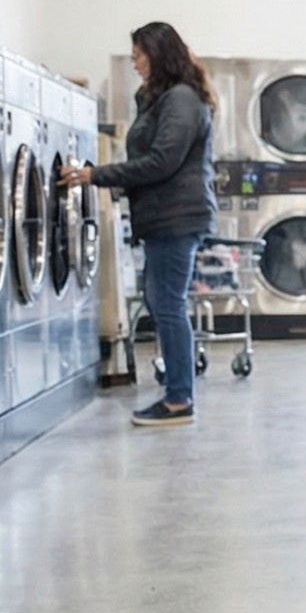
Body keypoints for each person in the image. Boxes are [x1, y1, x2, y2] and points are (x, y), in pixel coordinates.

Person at [63, 22, 217, 429]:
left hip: (176, 217)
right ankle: (177, 386)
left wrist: (96, 176)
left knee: (167, 304)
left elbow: (164, 161)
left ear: (159, 53)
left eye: (139, 54)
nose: (134, 62)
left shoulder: (180, 99)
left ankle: (180, 398)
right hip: (163, 216)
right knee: (162, 302)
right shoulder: (161, 99)